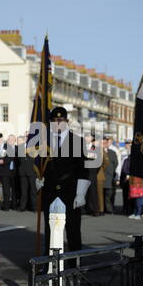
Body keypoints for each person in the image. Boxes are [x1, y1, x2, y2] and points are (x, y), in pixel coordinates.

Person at [41, 107, 90, 268]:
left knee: (73, 231)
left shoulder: (77, 141)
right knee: (50, 231)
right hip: (50, 192)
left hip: (70, 192)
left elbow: (83, 170)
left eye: (61, 120)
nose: (58, 123)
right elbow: (40, 166)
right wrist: (38, 179)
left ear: (67, 122)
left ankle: (75, 265)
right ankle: (49, 265)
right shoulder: (43, 142)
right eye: (55, 120)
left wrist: (81, 194)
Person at [17, 135, 37, 212]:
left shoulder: (32, 148)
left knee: (33, 190)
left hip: (31, 172)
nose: (18, 142)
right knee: (23, 191)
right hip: (22, 172)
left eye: (19, 141)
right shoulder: (19, 149)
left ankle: (34, 207)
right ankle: (22, 207)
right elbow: (20, 159)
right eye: (18, 141)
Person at [103, 137, 118, 214]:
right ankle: (101, 209)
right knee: (100, 194)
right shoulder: (96, 151)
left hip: (109, 176)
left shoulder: (112, 152)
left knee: (109, 194)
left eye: (105, 143)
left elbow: (116, 163)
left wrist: (111, 171)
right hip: (101, 176)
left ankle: (109, 209)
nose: (104, 145)